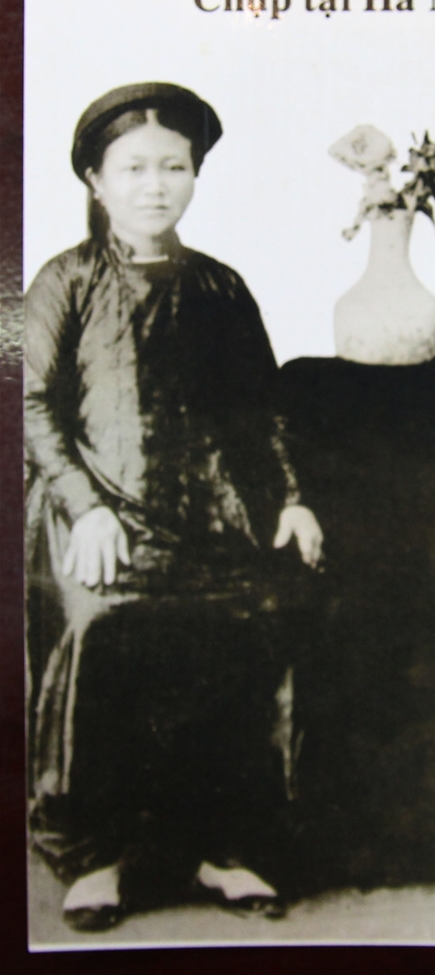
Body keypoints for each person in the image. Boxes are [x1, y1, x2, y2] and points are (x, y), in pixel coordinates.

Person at [25, 82, 324, 931]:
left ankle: (222, 847)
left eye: (174, 167)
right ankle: (96, 854)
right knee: (102, 624)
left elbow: (263, 409)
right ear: (95, 180)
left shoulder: (221, 288)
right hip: (97, 514)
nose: (155, 185)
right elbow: (31, 403)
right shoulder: (63, 281)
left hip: (210, 516)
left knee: (252, 618)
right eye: (134, 169)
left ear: (194, 176)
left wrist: (292, 501)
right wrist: (85, 506)